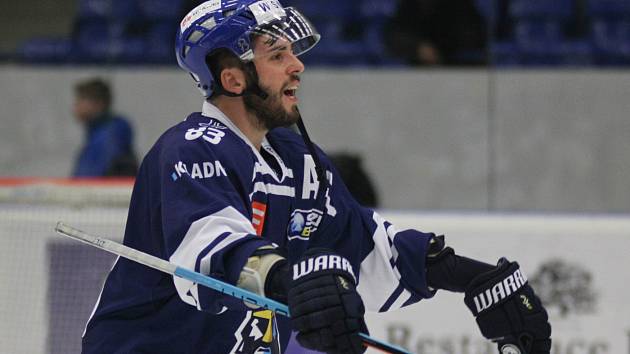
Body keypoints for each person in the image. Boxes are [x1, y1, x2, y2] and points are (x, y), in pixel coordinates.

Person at [81, 1, 551, 354]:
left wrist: (476, 279)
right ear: (233, 78)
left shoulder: (296, 156)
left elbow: (370, 249)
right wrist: (294, 280)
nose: (297, 65)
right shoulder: (191, 148)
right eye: (277, 54)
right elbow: (212, 255)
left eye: (292, 52)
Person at [385, 0, 488, 66]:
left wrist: (440, 51)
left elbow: (473, 38)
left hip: (457, 69)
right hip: (417, 71)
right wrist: (417, 47)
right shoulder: (409, 5)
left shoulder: (460, 5)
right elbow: (394, 35)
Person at [72, 78, 138, 177]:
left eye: (81, 100)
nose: (76, 106)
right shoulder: (97, 132)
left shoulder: (110, 133)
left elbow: (89, 177)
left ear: (98, 104)